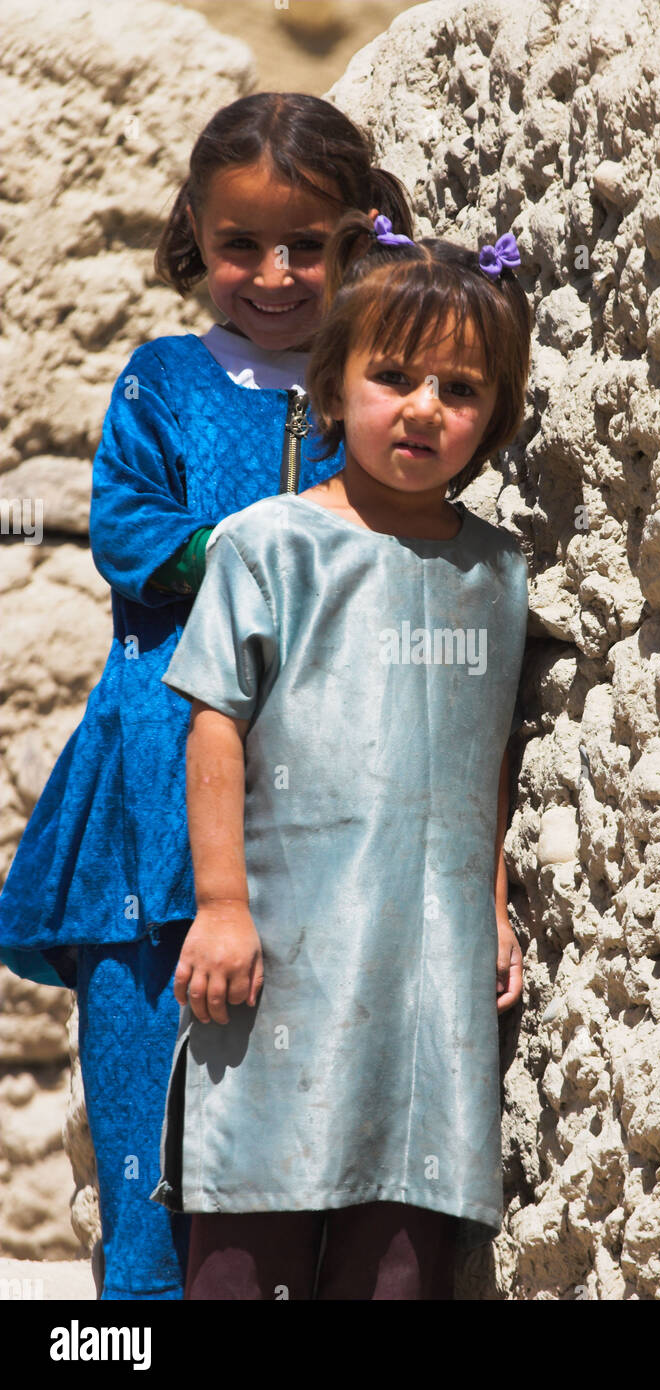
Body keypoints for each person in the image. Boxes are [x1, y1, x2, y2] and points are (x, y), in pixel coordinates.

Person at [0, 93, 413, 1300]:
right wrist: (279, 539)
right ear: (195, 234)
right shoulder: (163, 381)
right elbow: (131, 538)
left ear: (358, 237)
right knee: (145, 1126)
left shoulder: (373, 391)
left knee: (287, 1135)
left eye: (307, 245)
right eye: (242, 245)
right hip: (152, 795)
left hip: (314, 803)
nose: (274, 275)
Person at [149, 210, 532, 1300]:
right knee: (244, 1240)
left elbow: (483, 754)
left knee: (401, 1240)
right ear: (331, 384)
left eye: (460, 390)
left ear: (494, 417)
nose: (423, 410)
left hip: (427, 969)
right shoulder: (270, 545)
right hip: (278, 951)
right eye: (394, 376)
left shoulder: (494, 573)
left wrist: (493, 900)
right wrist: (221, 903)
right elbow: (213, 718)